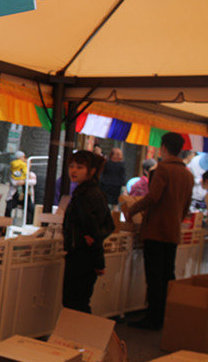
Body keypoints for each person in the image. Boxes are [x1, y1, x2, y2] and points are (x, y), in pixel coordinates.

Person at [126, 132, 194, 330]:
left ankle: (153, 317)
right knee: (167, 275)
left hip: (156, 230)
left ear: (163, 148)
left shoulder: (163, 169)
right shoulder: (188, 175)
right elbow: (186, 206)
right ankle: (164, 315)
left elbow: (153, 197)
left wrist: (132, 209)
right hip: (173, 231)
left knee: (154, 276)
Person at [61, 150, 114, 313]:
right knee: (80, 302)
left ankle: (78, 331)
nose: (73, 171)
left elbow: (92, 229)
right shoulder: (96, 192)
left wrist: (98, 259)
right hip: (87, 255)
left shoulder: (85, 195)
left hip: (81, 255)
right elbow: (109, 225)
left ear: (91, 171)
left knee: (74, 303)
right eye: (71, 166)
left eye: (80, 167)